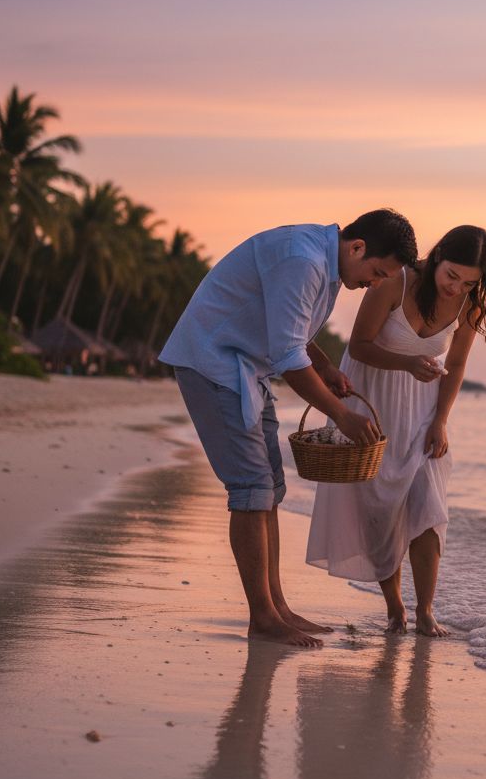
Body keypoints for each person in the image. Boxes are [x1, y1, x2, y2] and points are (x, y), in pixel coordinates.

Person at [160, 210, 418, 648]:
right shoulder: (302, 259)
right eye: (376, 272)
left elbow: (293, 333)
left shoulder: (328, 264)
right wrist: (340, 413)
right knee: (250, 489)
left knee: (271, 489)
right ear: (357, 247)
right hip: (212, 361)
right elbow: (286, 356)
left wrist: (327, 366)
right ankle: (262, 617)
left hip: (245, 367)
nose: (374, 284)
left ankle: (277, 607)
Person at [306, 225, 486, 636]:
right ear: (436, 258)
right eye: (451, 275)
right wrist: (406, 364)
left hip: (423, 411)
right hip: (373, 399)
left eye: (469, 281)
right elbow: (358, 346)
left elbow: (458, 365)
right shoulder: (396, 281)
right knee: (379, 510)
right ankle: (396, 610)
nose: (456, 287)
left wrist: (441, 420)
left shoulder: (469, 305)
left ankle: (426, 610)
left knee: (428, 507)